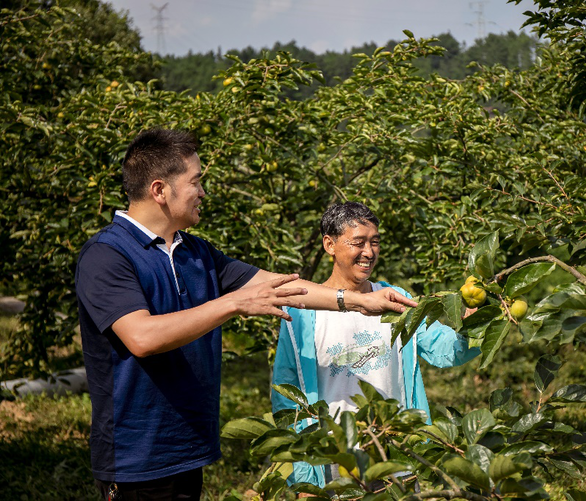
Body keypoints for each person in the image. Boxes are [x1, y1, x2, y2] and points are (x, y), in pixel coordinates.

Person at [75, 129, 415, 501]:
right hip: (135, 457)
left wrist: (358, 302)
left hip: (188, 448)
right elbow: (142, 338)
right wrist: (234, 303)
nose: (203, 192)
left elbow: (280, 286)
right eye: (196, 182)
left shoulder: (196, 252)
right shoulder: (107, 255)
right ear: (160, 190)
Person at [271, 201, 480, 488]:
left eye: (375, 242)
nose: (369, 252)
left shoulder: (394, 300)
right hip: (334, 465)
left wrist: (475, 325)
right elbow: (287, 398)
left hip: (396, 455)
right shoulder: (302, 314)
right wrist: (305, 478)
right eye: (358, 242)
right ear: (330, 245)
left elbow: (445, 350)